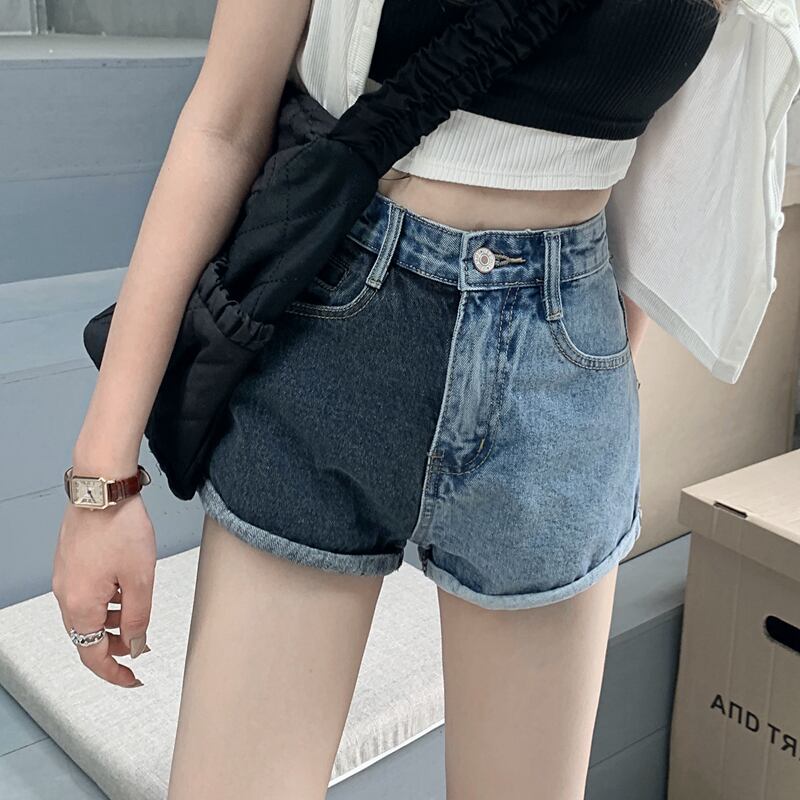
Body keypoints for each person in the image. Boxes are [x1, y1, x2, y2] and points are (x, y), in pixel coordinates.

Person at [50, 0, 797, 798]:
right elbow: (222, 126)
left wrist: (592, 387)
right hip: (326, 334)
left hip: (559, 368)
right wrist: (101, 484)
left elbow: (661, 171)